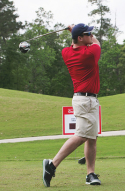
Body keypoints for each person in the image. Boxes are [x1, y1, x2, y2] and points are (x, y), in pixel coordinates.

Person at [42, 23, 102, 187]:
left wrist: (76, 33)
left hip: (86, 99)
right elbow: (96, 43)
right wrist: (75, 30)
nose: (91, 35)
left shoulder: (66, 52)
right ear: (81, 38)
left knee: (92, 137)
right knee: (82, 135)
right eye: (88, 33)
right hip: (85, 101)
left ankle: (90, 174)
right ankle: (51, 165)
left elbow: (76, 44)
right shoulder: (91, 52)